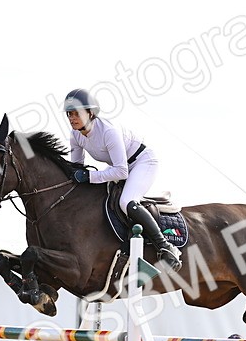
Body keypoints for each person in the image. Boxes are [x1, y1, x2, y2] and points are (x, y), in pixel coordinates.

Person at [63, 89, 181, 270]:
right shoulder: (75, 135)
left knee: (126, 201)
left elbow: (121, 172)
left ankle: (166, 247)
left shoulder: (108, 132)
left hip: (142, 162)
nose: (72, 118)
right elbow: (77, 167)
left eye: (76, 113)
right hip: (120, 166)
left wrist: (90, 176)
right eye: (69, 114)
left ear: (90, 113)